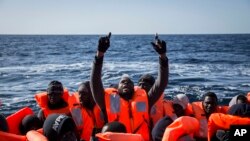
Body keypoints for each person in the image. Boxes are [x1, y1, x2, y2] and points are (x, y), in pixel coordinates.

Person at [90, 32, 169, 141]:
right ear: (117, 88)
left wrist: (162, 56)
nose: (126, 83)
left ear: (134, 87)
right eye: (122, 82)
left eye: (129, 82)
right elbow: (95, 82)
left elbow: (162, 83)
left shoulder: (146, 99)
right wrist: (100, 54)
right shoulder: (106, 100)